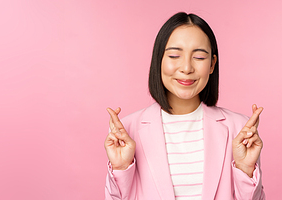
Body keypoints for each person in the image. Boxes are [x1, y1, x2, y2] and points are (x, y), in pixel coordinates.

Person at [104, 12, 266, 200]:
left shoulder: (240, 128)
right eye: (174, 55)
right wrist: (121, 170)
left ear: (212, 64)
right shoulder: (127, 130)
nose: (187, 68)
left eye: (199, 57)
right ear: (159, 60)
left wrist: (245, 170)